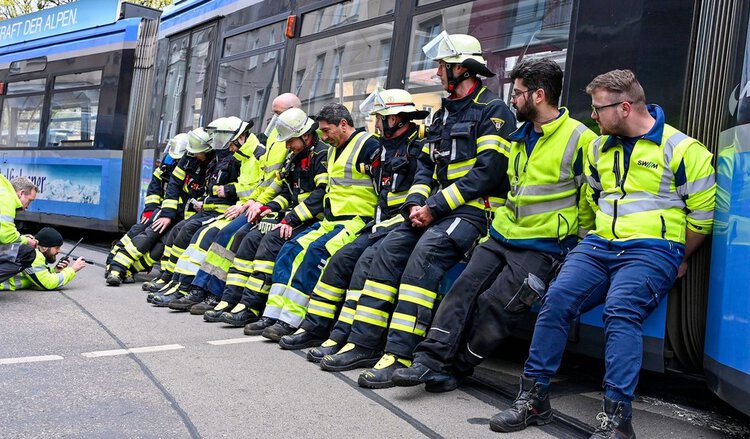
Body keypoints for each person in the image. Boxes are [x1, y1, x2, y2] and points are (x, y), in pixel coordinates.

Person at [489, 69, 716, 438]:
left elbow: (703, 216)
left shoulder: (684, 150)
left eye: (597, 109)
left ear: (624, 107)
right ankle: (532, 400)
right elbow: (593, 199)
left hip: (653, 248)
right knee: (556, 300)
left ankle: (618, 421)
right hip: (600, 244)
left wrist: (677, 254)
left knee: (621, 310)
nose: (592, 117)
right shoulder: (597, 148)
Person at [319, 32, 516, 390]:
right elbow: (426, 166)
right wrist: (415, 204)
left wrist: (434, 206)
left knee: (424, 255)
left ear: (460, 68)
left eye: (442, 66)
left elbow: (489, 173)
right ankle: (364, 345)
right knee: (387, 249)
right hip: (438, 210)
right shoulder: (443, 115)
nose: (438, 72)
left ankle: (401, 354)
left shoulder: (493, 110)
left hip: (475, 212)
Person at [390, 58, 597, 392]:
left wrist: (576, 249)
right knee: (463, 289)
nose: (512, 99)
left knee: (497, 307)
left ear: (538, 95)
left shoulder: (581, 139)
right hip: (502, 234)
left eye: (517, 93)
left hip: (543, 245)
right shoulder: (520, 136)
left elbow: (589, 201)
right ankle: (427, 362)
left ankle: (457, 368)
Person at [278, 88, 428, 353]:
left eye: (380, 118)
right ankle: (320, 330)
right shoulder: (383, 149)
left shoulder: (406, 147)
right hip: (375, 224)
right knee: (337, 261)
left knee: (348, 262)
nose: (376, 124)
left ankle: (348, 339)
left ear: (396, 119)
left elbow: (414, 189)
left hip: (380, 223)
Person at [237, 103, 380, 341]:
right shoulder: (334, 149)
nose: (322, 136)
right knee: (290, 248)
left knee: (315, 253)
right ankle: (274, 315)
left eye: (326, 130)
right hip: (331, 221)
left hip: (355, 221)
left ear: (343, 124)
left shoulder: (368, 145)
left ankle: (294, 322)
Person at [168, 94, 302, 314]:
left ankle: (218, 294)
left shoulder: (270, 146)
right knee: (221, 235)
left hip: (271, 208)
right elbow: (264, 182)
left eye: (279, 114)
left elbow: (277, 182)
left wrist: (254, 203)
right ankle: (202, 289)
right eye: (274, 114)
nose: (275, 120)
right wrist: (253, 201)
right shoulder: (268, 145)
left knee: (232, 236)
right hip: (258, 205)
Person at [208, 107, 329, 324]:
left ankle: (256, 309)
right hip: (292, 216)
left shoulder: (321, 155)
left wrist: (291, 218)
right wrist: (267, 208)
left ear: (305, 135)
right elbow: (285, 191)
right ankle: (236, 301)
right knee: (250, 237)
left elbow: (321, 195)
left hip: (311, 218)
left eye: (291, 140)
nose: (287, 145)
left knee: (271, 242)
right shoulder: (295, 156)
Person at [111, 127, 214, 290]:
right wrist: (155, 210)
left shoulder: (205, 164)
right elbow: (165, 185)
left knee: (162, 245)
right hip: (167, 211)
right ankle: (115, 265)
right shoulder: (178, 160)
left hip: (183, 215)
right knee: (147, 231)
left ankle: (128, 269)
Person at [105, 132, 189, 284]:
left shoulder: (192, 165)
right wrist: (151, 209)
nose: (177, 161)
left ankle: (127, 270)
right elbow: (155, 186)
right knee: (143, 233)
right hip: (163, 210)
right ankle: (114, 265)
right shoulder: (168, 161)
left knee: (159, 248)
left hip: (177, 214)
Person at [0, 227, 86, 291]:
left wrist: (55, 270)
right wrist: (72, 269)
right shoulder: (34, 255)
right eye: (57, 247)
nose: (59, 251)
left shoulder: (30, 251)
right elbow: (47, 283)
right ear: (44, 248)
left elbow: (37, 274)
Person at [0, 176, 39, 282]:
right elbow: (6, 236)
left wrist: (21, 237)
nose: (27, 206)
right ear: (21, 193)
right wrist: (27, 241)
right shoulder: (7, 198)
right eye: (29, 201)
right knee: (27, 253)